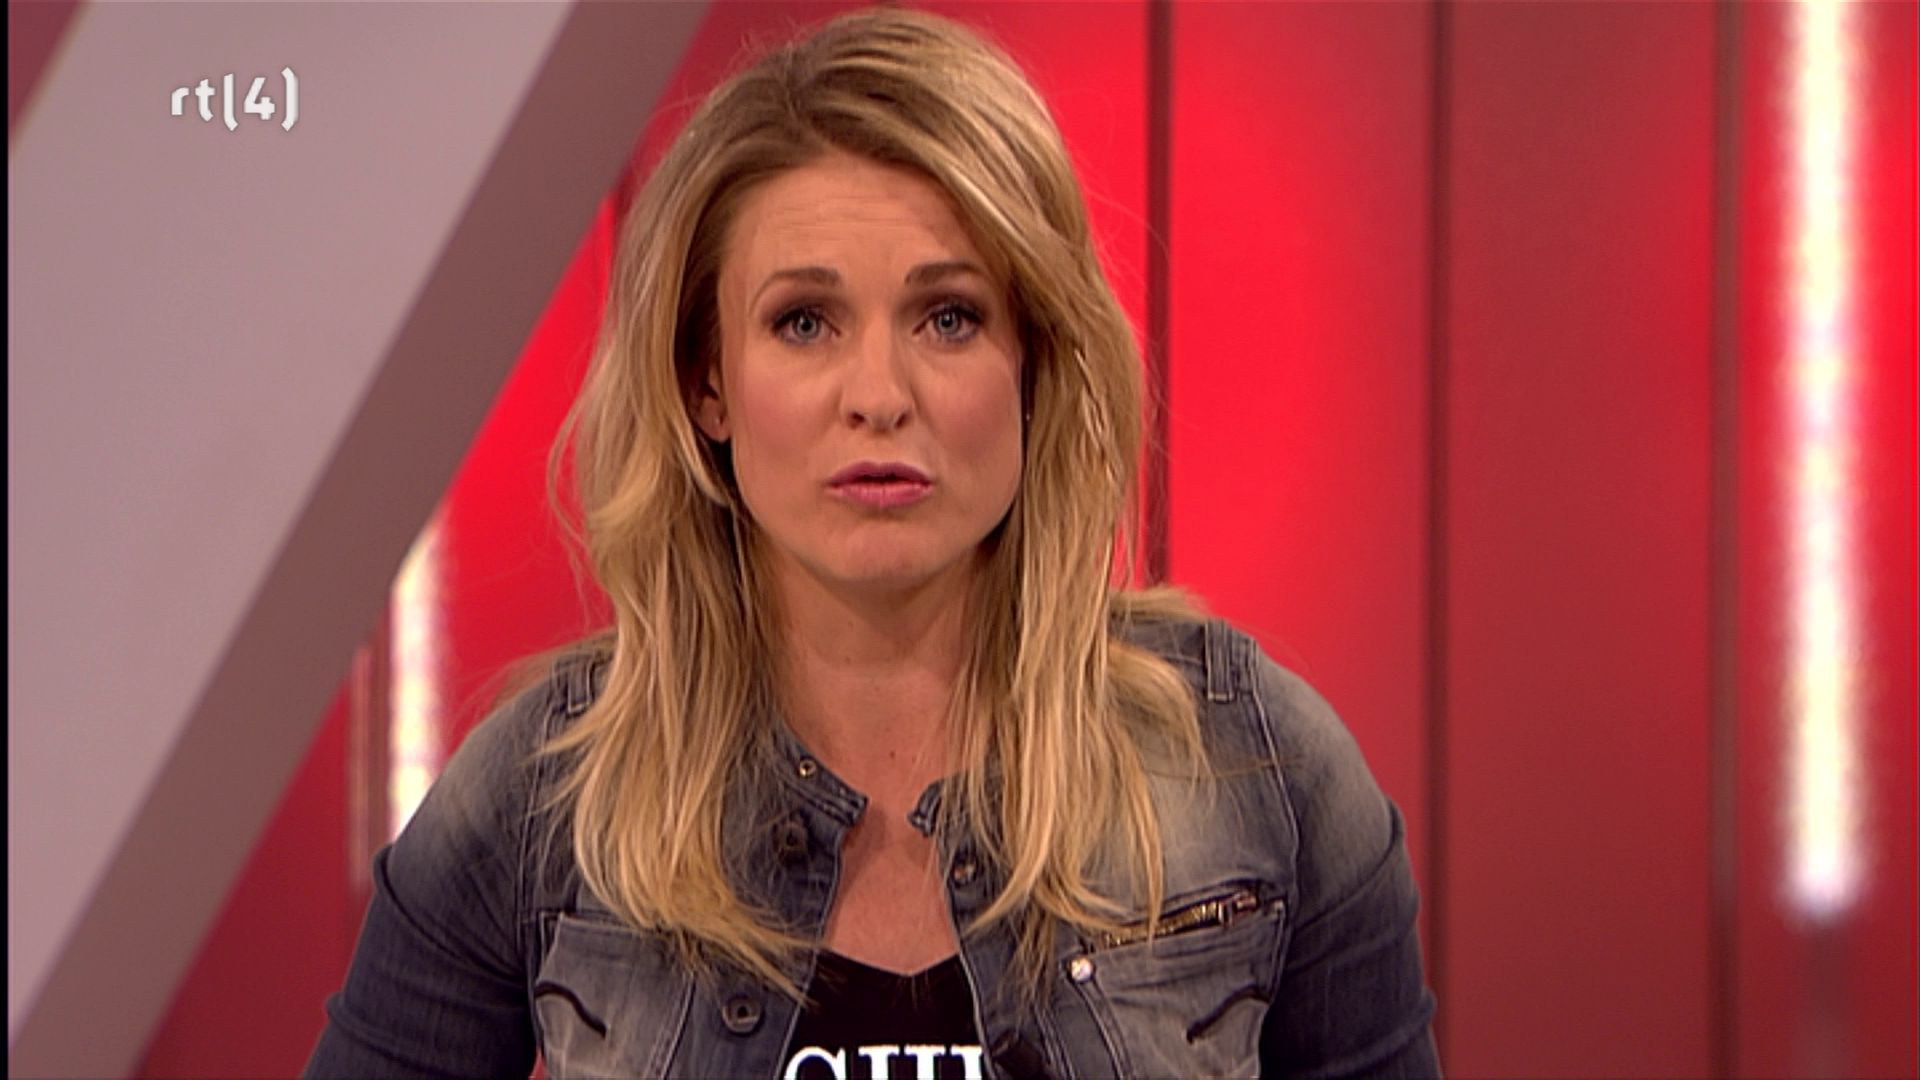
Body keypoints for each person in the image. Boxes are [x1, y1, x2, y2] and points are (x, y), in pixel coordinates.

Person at [306, 7, 1438, 1078]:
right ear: (707, 383)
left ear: (1034, 363)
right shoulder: (547, 795)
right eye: (804, 322)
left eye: (950, 318)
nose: (880, 396)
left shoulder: (1257, 770)